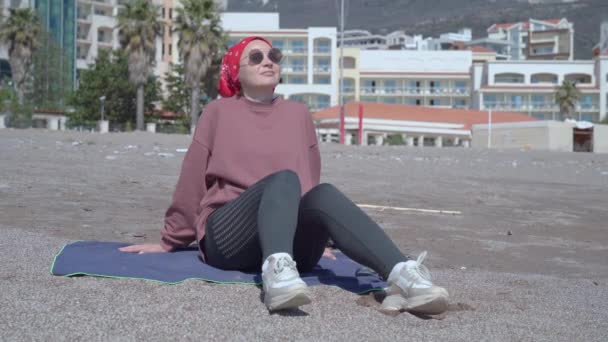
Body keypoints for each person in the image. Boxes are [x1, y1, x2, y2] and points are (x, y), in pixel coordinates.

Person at [119, 36, 449, 314]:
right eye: (257, 56)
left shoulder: (298, 114)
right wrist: (170, 241)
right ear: (236, 70)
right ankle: (277, 279)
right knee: (284, 179)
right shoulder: (218, 112)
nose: (269, 61)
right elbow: (192, 180)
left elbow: (311, 182)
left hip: (293, 245)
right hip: (230, 238)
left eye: (274, 56)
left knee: (323, 192)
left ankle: (405, 276)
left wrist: (323, 237)